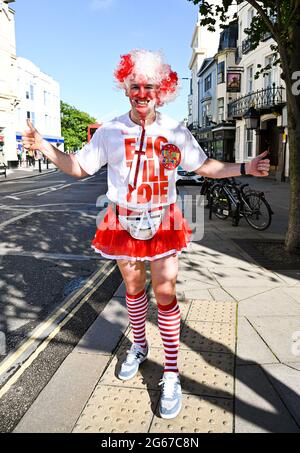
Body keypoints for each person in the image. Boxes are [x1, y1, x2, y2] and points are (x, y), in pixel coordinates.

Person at [22, 49, 270, 420]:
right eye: (135, 86)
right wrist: (45, 146)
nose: (142, 93)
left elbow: (205, 166)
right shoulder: (110, 131)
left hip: (164, 220)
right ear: (126, 88)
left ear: (162, 90)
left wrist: (244, 167)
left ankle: (172, 373)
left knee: (166, 291)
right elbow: (79, 167)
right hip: (123, 221)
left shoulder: (175, 131)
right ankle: (139, 345)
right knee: (134, 291)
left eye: (149, 86)